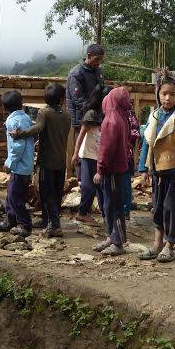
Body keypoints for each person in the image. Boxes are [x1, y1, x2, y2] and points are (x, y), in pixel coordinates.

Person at [138, 70, 175, 263]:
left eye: (172, 94)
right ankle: (157, 244)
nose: (167, 98)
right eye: (164, 94)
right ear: (158, 94)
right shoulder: (153, 117)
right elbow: (147, 143)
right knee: (158, 208)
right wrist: (143, 169)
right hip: (157, 173)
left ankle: (169, 246)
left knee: (172, 208)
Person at [10, 83, 70, 238]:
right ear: (62, 99)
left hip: (47, 161)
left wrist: (20, 134)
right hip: (61, 161)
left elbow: (38, 128)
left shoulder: (44, 112)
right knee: (56, 193)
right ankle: (47, 220)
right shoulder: (66, 115)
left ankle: (54, 225)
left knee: (46, 193)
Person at [92, 87, 133, 257]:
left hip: (112, 171)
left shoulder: (110, 120)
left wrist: (100, 170)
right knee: (113, 205)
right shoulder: (123, 117)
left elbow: (106, 149)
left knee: (112, 206)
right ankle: (113, 236)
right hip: (121, 169)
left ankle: (117, 242)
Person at [71, 85, 113, 226]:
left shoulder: (110, 114)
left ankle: (105, 215)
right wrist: (75, 153)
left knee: (102, 188)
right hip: (88, 156)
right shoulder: (91, 114)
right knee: (88, 187)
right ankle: (82, 213)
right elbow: (81, 135)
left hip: (102, 158)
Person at [0, 90, 35, 237]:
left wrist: (9, 162)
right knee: (13, 194)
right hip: (26, 165)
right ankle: (10, 220)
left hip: (19, 166)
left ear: (4, 108)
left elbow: (17, 146)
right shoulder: (25, 117)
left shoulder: (13, 122)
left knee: (14, 197)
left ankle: (26, 225)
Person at [66, 44, 105, 177]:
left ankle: (95, 180)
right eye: (97, 59)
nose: (99, 62)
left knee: (95, 152)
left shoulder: (97, 71)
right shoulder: (76, 74)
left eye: (101, 60)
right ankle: (81, 182)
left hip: (96, 119)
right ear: (88, 56)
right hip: (81, 119)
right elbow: (78, 101)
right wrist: (91, 113)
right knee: (81, 151)